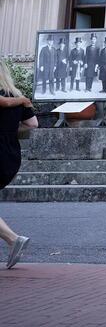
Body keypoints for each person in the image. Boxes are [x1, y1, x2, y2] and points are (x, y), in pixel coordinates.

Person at [0, 61, 38, 269]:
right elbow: (33, 124)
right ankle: (13, 240)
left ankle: (14, 239)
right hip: (11, 152)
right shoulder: (16, 95)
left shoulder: (10, 99)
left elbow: (3, 104)